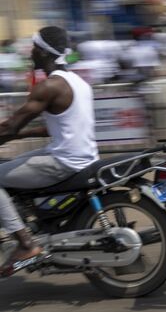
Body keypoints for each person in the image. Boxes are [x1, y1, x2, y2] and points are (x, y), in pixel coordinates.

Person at [0, 26, 99, 277]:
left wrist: (11, 133)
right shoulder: (79, 83)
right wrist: (16, 135)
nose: (30, 52)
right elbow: (51, 128)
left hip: (64, 161)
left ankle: (25, 244)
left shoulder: (49, 86)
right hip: (81, 157)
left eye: (33, 47)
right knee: (9, 164)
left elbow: (12, 124)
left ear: (43, 52)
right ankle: (33, 225)